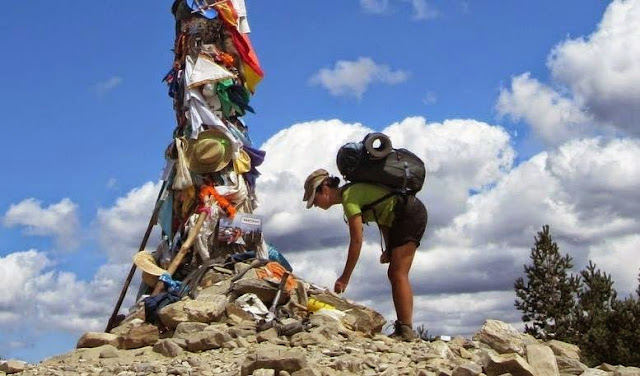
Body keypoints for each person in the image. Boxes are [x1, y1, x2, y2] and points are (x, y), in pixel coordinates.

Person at [303, 169, 428, 341]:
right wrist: (389, 248)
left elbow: (356, 241)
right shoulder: (353, 192)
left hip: (409, 214)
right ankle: (403, 328)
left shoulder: (349, 198)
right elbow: (383, 214)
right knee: (395, 273)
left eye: (314, 199)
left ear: (325, 189)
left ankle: (406, 331)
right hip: (405, 214)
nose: (315, 205)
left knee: (398, 273)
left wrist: (344, 277)